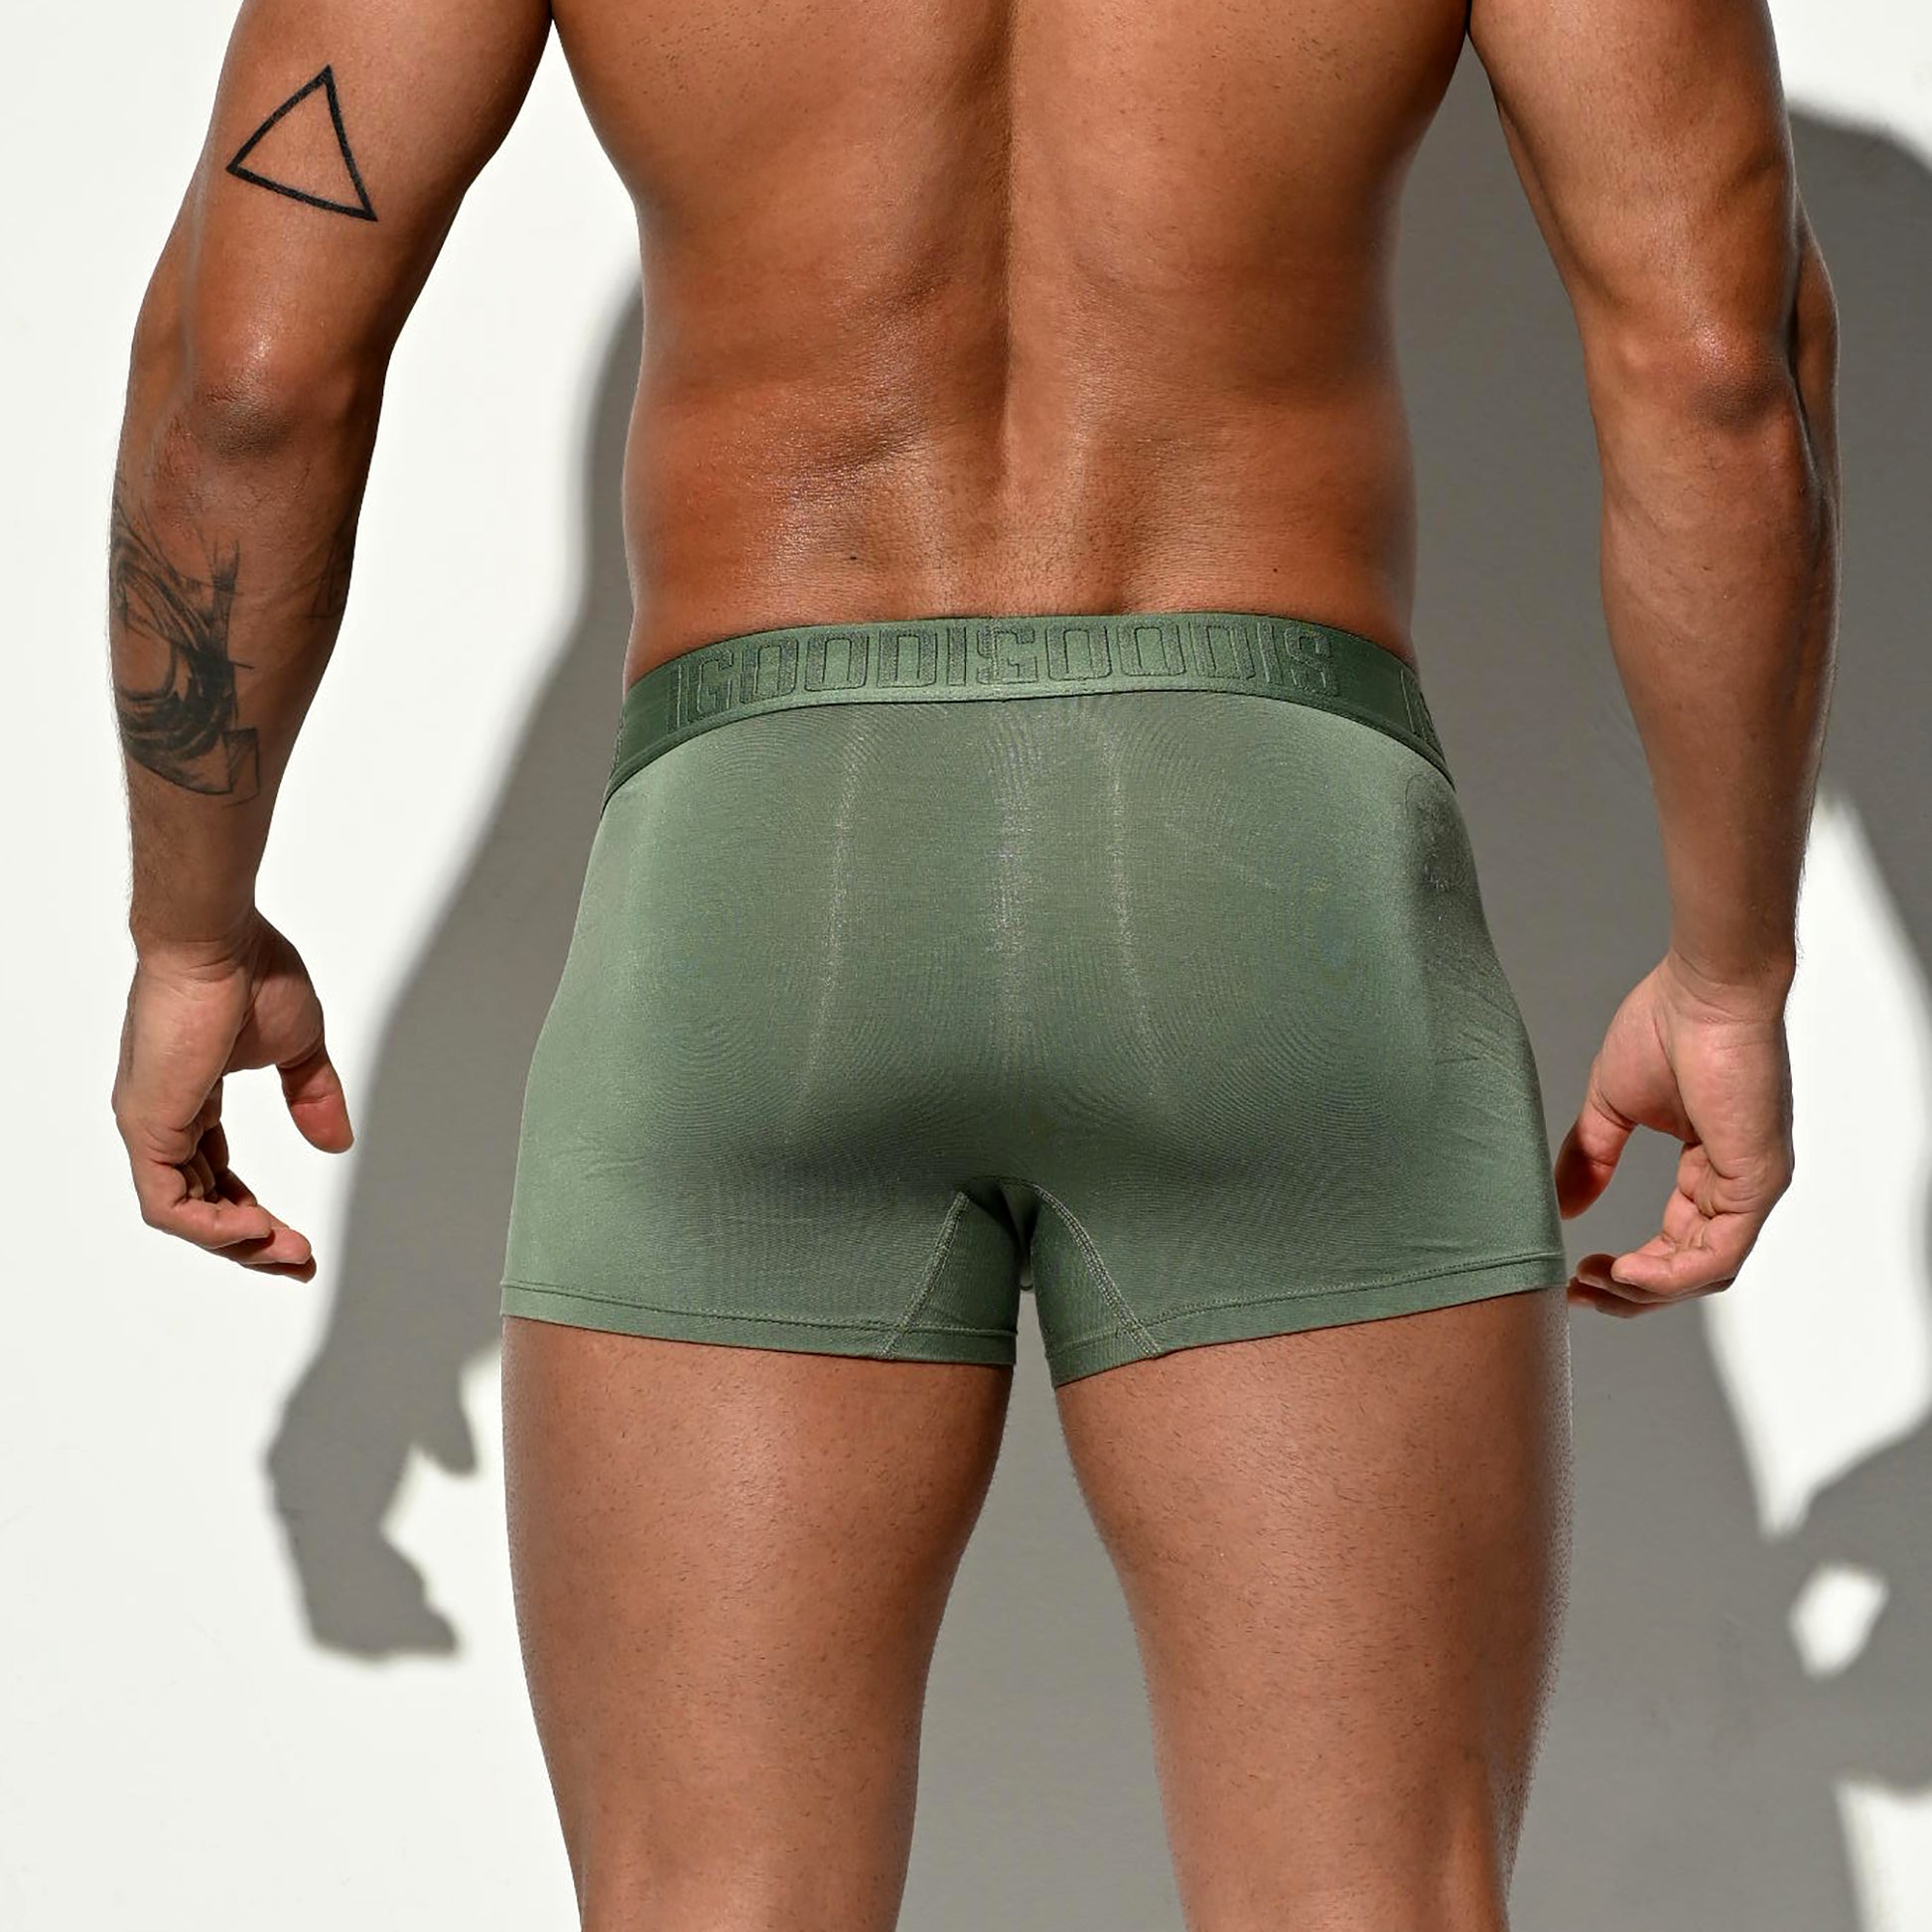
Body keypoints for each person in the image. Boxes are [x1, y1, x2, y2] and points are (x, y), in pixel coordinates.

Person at [106, 0, 1838, 1921]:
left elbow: (248, 382)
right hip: (1278, 876)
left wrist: (192, 923)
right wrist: (1729, 968)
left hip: (756, 887)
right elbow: (1717, 366)